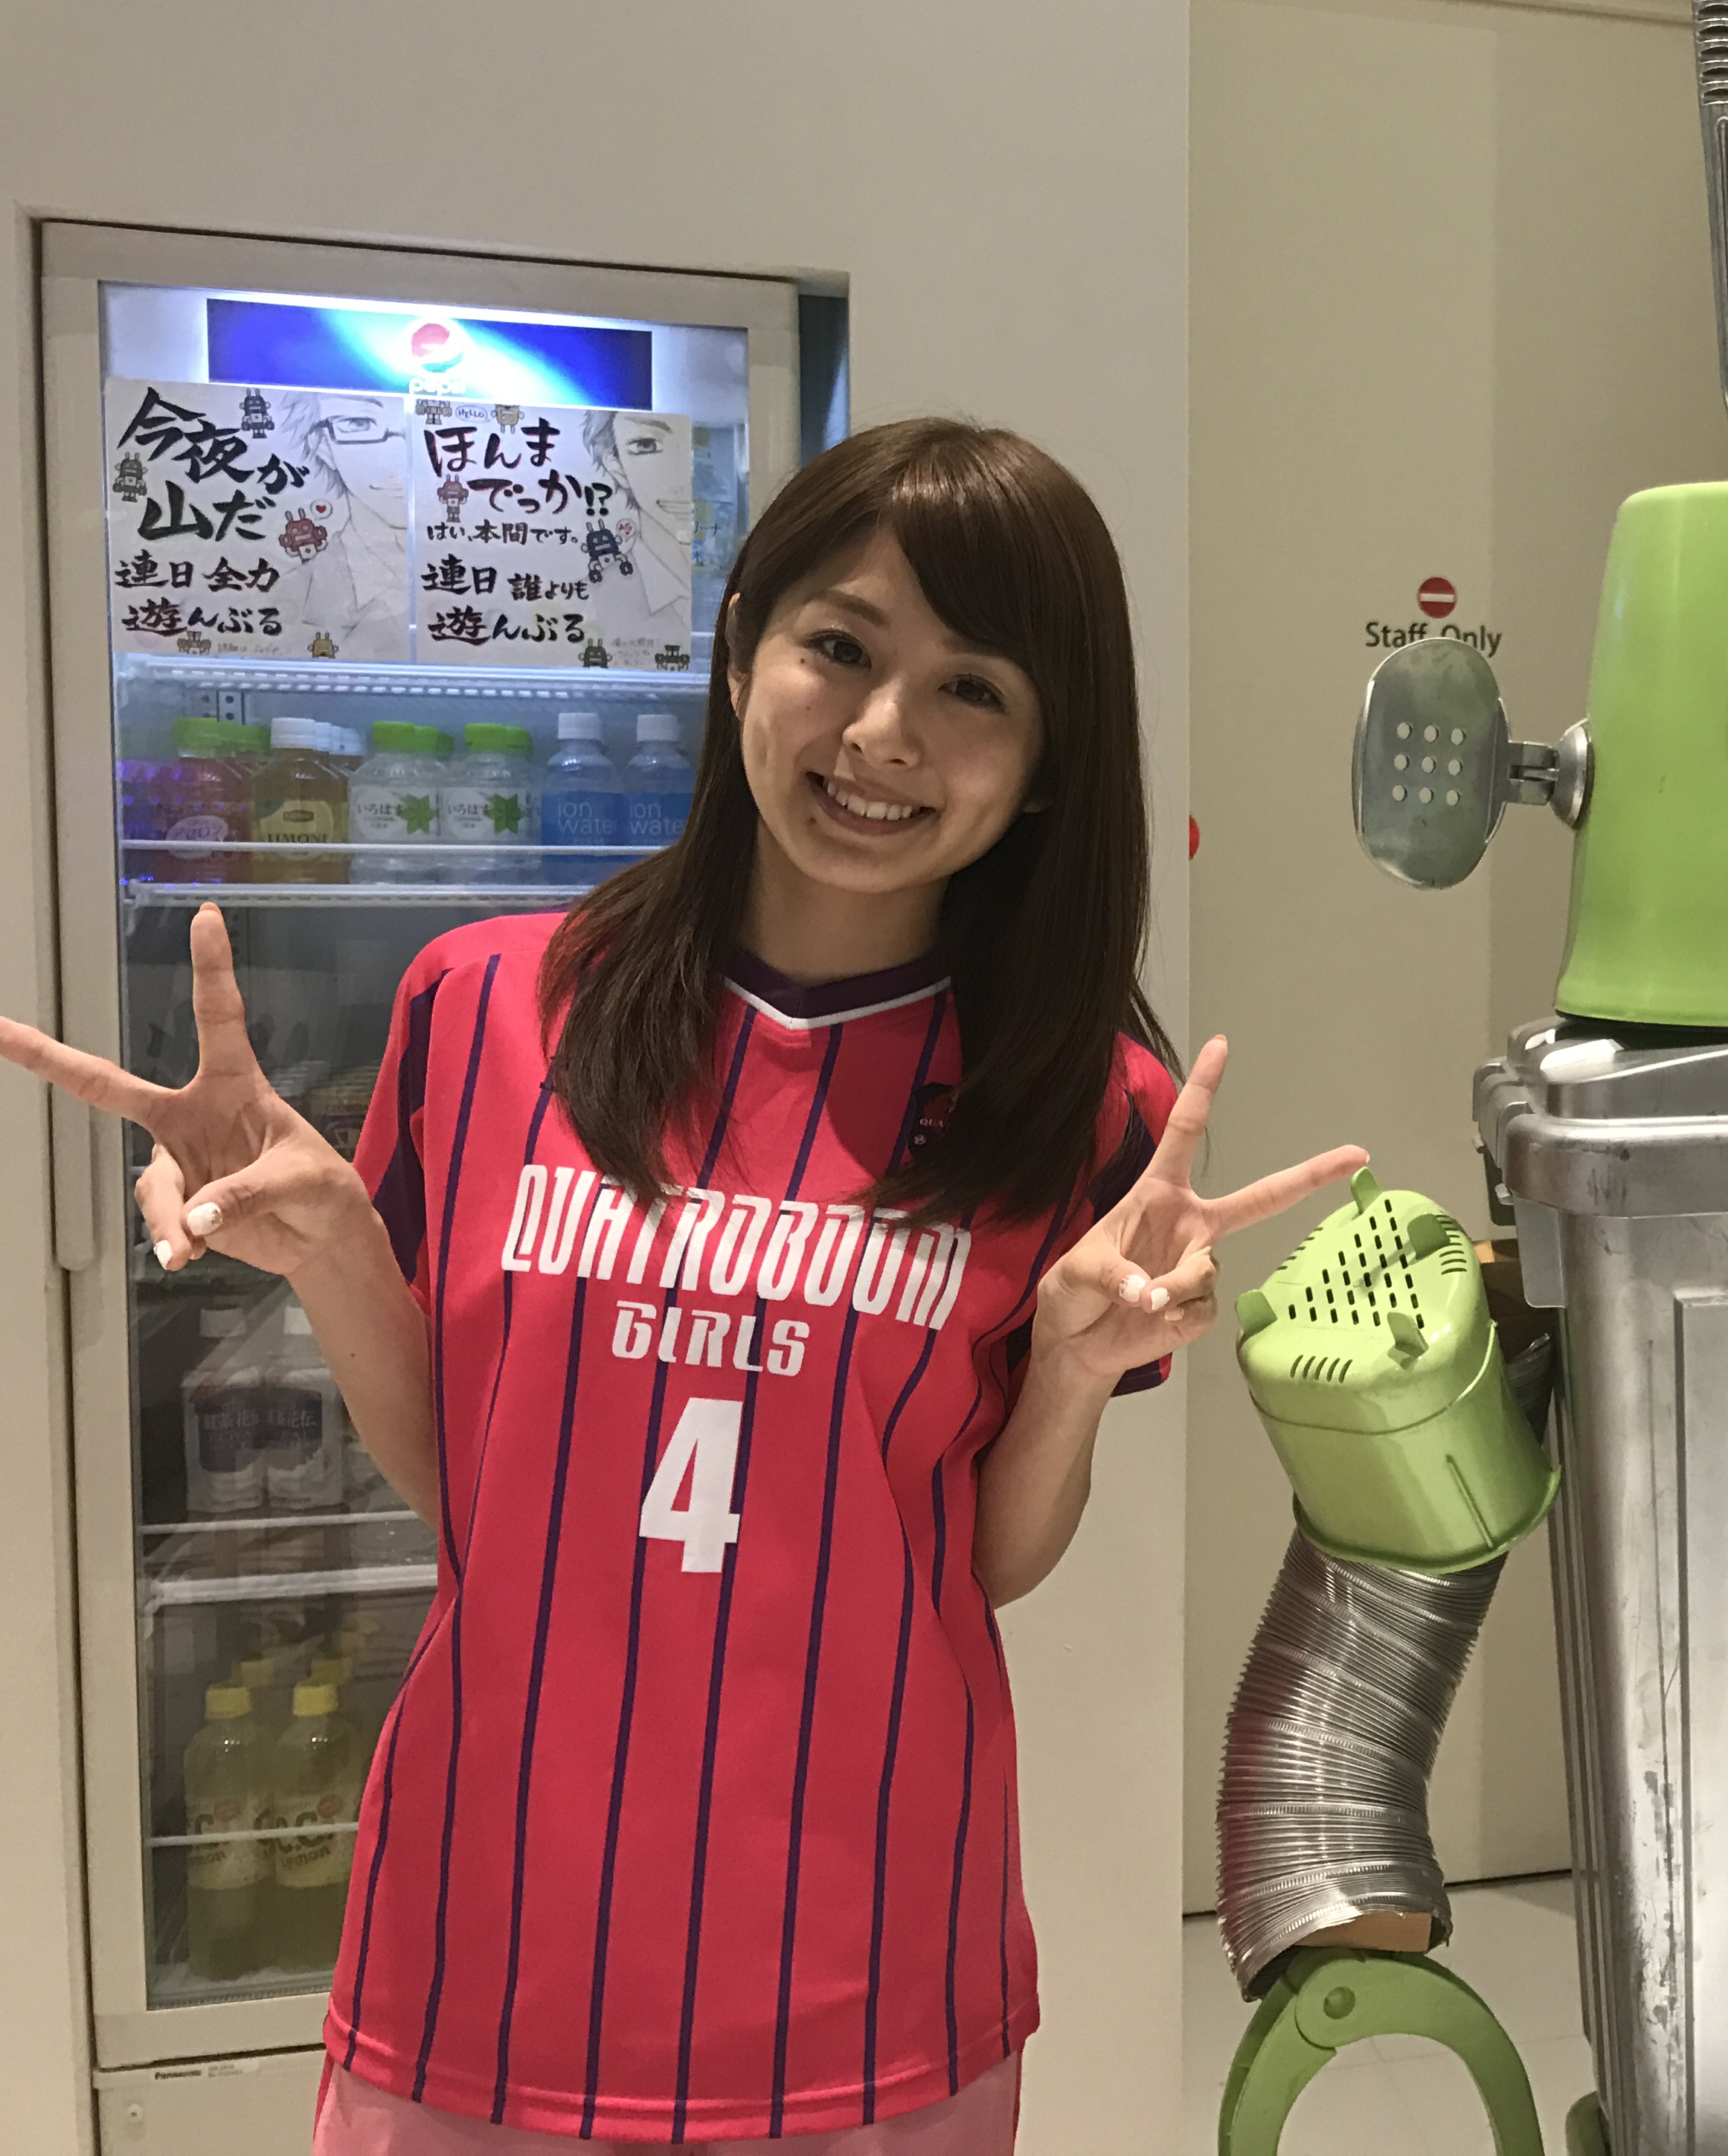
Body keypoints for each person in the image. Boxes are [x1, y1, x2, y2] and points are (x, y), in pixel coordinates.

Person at [0, 419, 1363, 2151]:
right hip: (482, 1945)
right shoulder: (483, 1004)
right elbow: (474, 1484)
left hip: (869, 1962)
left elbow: (988, 1562)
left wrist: (1080, 1374)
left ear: (1046, 762)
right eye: (841, 646)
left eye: (973, 689)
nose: (884, 733)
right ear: (738, 655)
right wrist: (336, 1250)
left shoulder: (1087, 1108)